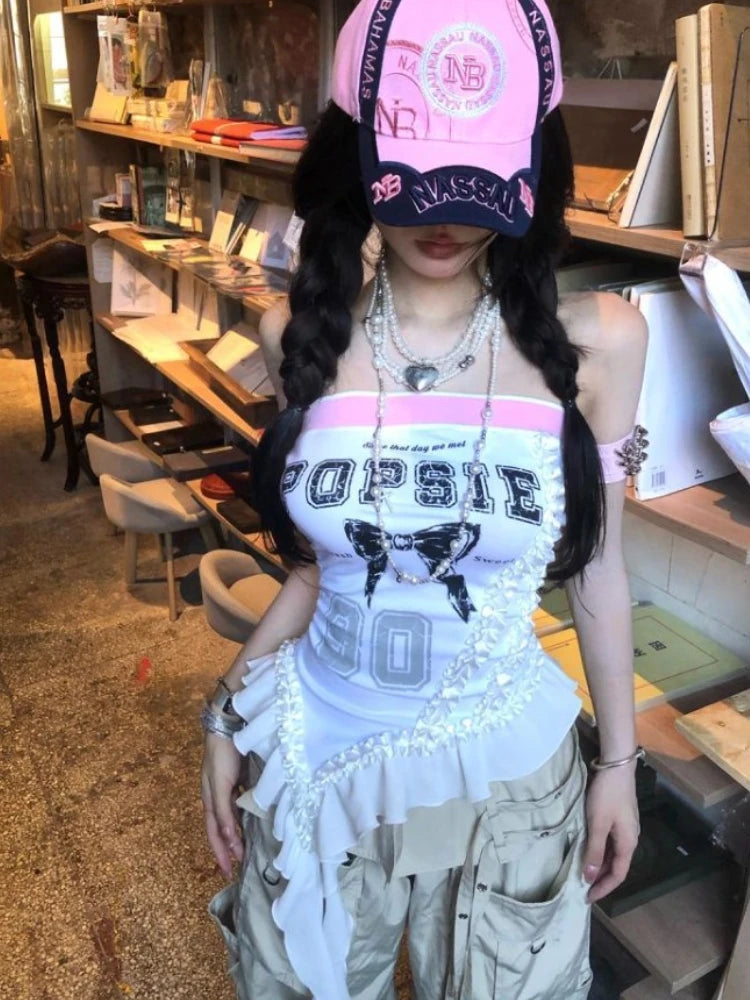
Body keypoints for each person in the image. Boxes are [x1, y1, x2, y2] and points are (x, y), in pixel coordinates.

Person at [201, 1, 648, 998]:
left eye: (476, 181)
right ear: (353, 163)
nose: (443, 218)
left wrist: (619, 765)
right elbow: (316, 573)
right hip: (317, 769)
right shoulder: (299, 337)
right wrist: (226, 716)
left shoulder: (601, 341)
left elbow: (598, 570)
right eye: (413, 177)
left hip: (508, 790)